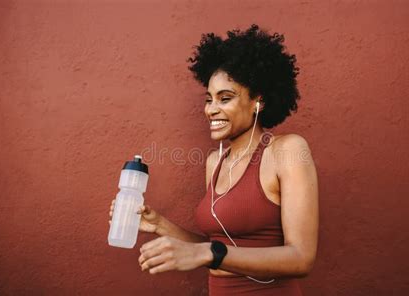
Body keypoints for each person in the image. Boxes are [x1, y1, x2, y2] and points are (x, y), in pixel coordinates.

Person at [109, 24, 319, 295]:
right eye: (209, 100)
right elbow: (216, 249)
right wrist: (158, 224)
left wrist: (209, 252)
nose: (211, 110)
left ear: (258, 101)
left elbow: (301, 258)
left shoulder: (286, 151)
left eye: (225, 98)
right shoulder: (214, 162)